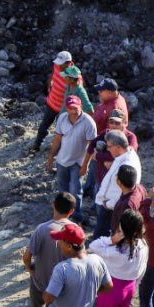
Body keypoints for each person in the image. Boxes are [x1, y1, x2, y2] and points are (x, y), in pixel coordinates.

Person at [43, 223, 113, 307]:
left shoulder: (62, 269)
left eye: (61, 241)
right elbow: (109, 286)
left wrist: (45, 291)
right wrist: (89, 292)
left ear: (69, 246)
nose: (58, 244)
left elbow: (49, 298)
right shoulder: (97, 260)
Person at [22, 193, 77, 307]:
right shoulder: (75, 231)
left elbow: (27, 256)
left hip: (40, 281)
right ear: (72, 211)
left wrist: (29, 268)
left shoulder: (42, 229)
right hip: (62, 285)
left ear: (53, 205)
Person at [89, 209, 148, 307]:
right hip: (130, 286)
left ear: (122, 229)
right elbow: (143, 269)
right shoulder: (143, 246)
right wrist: (136, 284)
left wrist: (111, 240)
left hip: (111, 288)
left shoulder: (114, 251)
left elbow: (93, 246)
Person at [47, 96, 98, 224]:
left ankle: (76, 216)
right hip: (62, 160)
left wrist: (85, 165)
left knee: (76, 191)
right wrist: (51, 157)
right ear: (67, 108)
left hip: (78, 162)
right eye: (70, 108)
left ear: (81, 106)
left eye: (75, 108)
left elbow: (91, 147)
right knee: (63, 189)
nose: (73, 111)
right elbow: (57, 139)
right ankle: (63, 215)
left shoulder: (89, 122)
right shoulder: (62, 118)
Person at [93, 132, 141, 238]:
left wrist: (109, 204)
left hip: (112, 210)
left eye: (109, 146)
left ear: (118, 147)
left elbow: (125, 189)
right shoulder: (123, 156)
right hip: (110, 207)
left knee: (100, 240)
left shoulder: (127, 164)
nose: (108, 149)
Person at [32, 51, 75, 153]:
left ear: (68, 63)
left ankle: (57, 152)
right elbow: (53, 73)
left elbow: (76, 94)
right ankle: (36, 146)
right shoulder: (57, 66)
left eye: (61, 64)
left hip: (63, 109)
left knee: (60, 131)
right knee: (44, 126)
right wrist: (49, 83)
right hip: (51, 103)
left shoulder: (74, 76)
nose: (58, 65)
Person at [109, 165, 148, 237]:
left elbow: (124, 228)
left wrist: (114, 239)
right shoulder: (140, 188)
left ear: (119, 182)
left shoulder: (127, 204)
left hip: (123, 237)